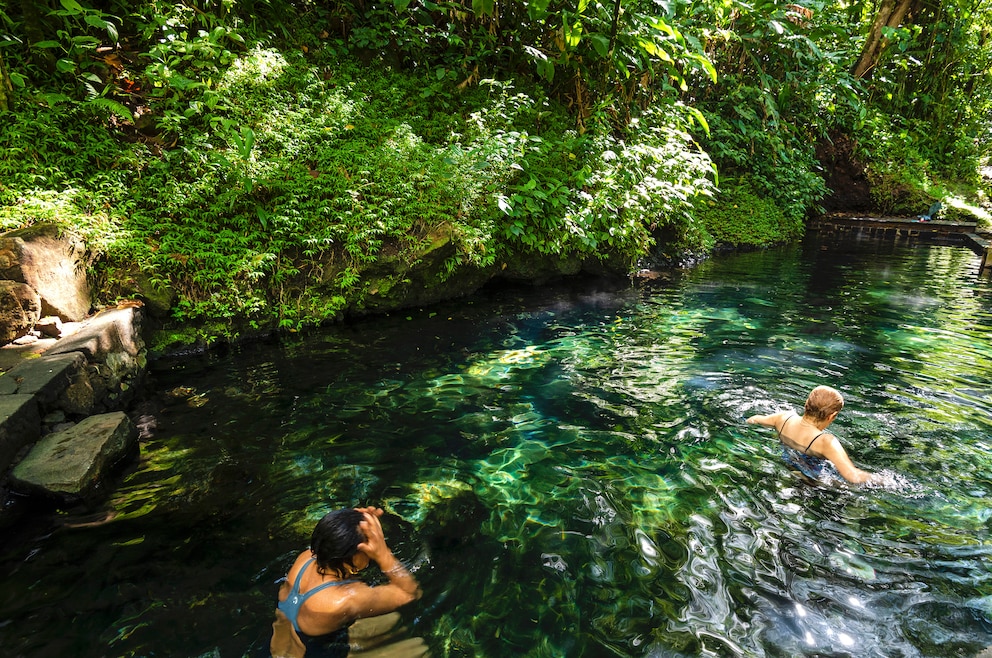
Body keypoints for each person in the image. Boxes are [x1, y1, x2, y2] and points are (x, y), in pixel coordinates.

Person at [271, 506, 422, 658]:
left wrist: (357, 522)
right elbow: (410, 593)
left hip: (275, 646)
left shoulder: (305, 558)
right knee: (417, 646)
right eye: (368, 546)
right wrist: (382, 552)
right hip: (312, 654)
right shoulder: (345, 599)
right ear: (354, 558)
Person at [746, 385, 883, 485]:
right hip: (811, 481)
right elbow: (852, 476)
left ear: (806, 404)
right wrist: (885, 480)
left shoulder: (784, 417)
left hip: (785, 463)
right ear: (832, 416)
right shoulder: (825, 442)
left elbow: (754, 419)